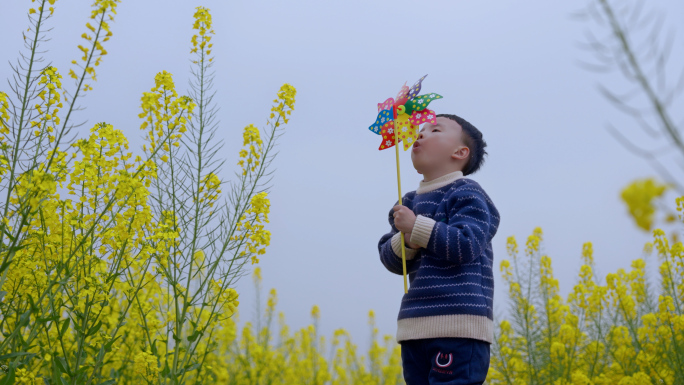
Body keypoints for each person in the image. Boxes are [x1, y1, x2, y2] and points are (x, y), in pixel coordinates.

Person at [378, 114, 500, 385]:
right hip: (414, 326)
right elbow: (391, 260)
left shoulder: (467, 193)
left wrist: (417, 227)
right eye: (420, 130)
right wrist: (408, 239)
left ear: (460, 152)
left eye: (435, 130)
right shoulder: (407, 202)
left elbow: (466, 245)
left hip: (458, 325)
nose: (420, 134)